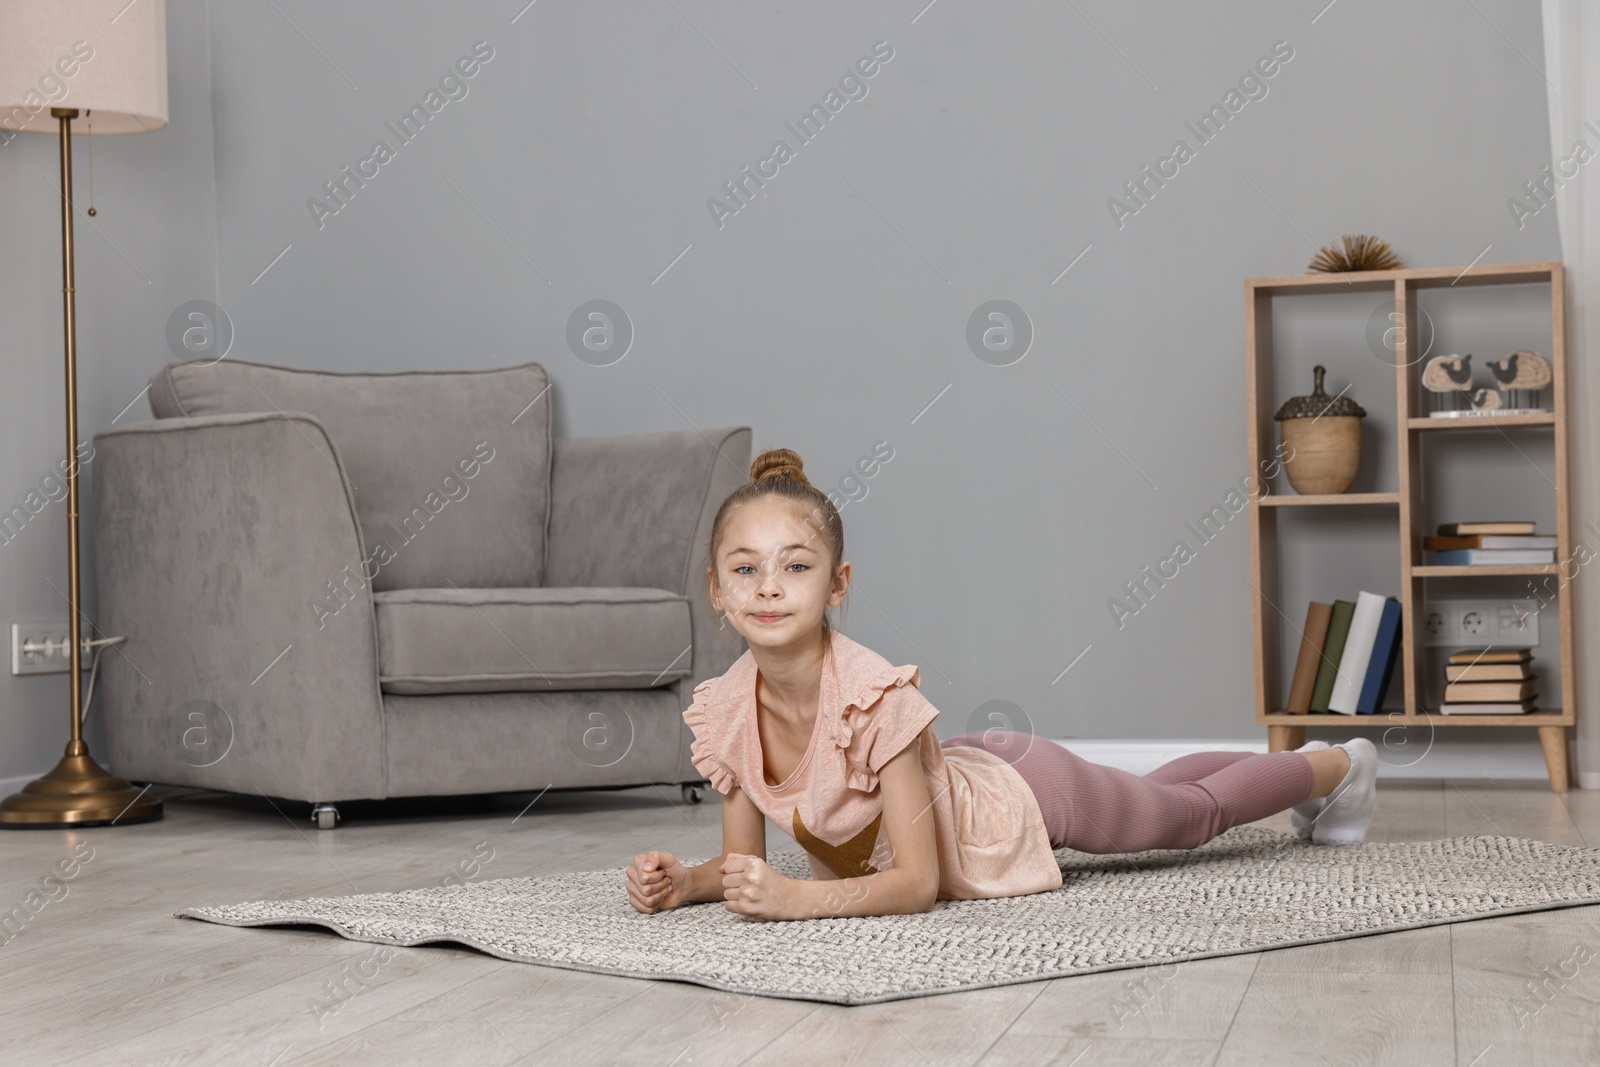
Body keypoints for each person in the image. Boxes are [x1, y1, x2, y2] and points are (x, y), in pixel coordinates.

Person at [625, 448, 1377, 920]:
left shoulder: (873, 694)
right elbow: (739, 862)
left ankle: (1340, 765)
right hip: (950, 774)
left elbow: (918, 883)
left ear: (837, 584)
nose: (768, 587)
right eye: (744, 569)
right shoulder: (725, 711)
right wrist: (687, 882)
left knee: (1185, 817)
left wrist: (799, 900)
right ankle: (1291, 766)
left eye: (795, 565)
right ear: (717, 590)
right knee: (1152, 790)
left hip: (1020, 793)